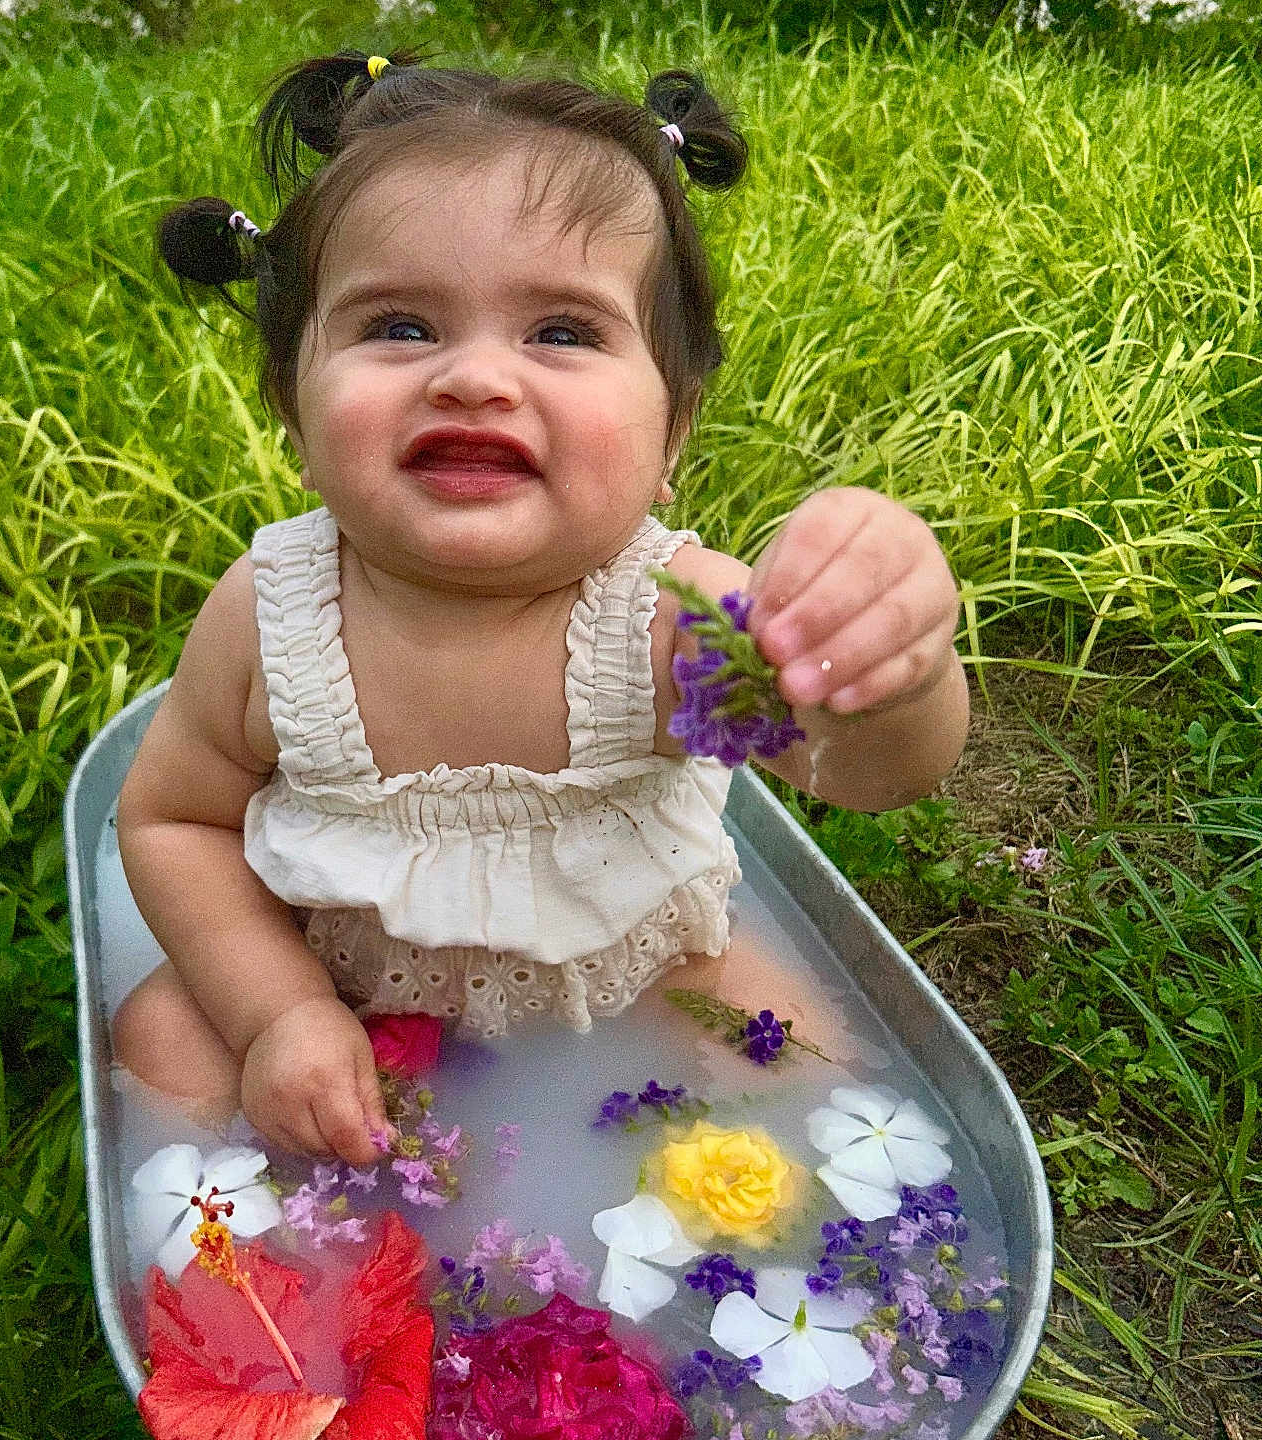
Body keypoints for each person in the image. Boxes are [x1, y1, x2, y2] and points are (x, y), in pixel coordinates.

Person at [113, 50, 969, 1172]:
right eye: (401, 326)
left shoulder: (670, 618)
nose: (474, 377)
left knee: (798, 1058)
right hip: (335, 975)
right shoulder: (269, 616)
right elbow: (175, 822)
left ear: (672, 432)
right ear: (293, 410)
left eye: (562, 332)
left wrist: (888, 677)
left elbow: (867, 774)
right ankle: (242, 1280)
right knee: (163, 1037)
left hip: (638, 971)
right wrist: (277, 1013)